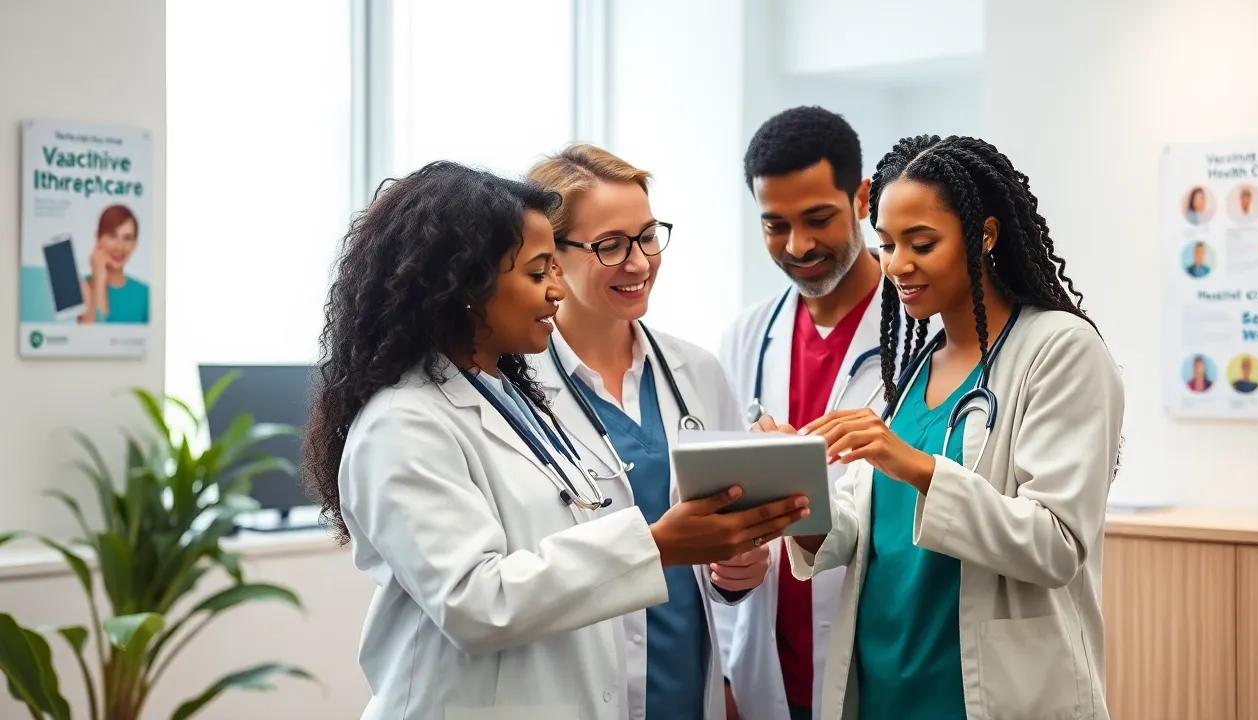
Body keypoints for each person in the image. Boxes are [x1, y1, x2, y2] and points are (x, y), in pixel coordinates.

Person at [300, 161, 811, 719]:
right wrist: (658, 544)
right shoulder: (403, 423)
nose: (557, 290)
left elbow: (563, 556)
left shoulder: (508, 397)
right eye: (539, 271)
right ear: (468, 287)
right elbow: (475, 602)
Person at [759, 134, 1125, 720]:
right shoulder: (904, 375)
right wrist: (791, 489)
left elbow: (1057, 544)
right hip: (882, 687)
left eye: (921, 242)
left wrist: (915, 465)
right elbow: (857, 533)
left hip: (988, 694)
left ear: (984, 235)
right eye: (885, 243)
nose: (896, 264)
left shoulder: (1059, 350)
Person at [525, 144, 769, 720]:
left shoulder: (698, 371)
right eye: (610, 245)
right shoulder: (515, 386)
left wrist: (739, 570)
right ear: (551, 257)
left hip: (684, 688)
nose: (639, 262)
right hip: (572, 691)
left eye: (647, 236)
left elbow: (733, 542)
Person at [714, 106, 906, 720]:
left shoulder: (924, 335)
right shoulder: (746, 337)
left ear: (862, 198)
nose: (798, 246)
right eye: (776, 225)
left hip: (879, 663)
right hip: (767, 667)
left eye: (818, 218)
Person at [78, 204, 149, 324]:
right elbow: (93, 337)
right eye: (112, 236)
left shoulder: (145, 295)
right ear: (98, 238)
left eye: (127, 238)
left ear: (134, 244)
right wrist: (99, 278)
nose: (119, 247)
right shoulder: (80, 290)